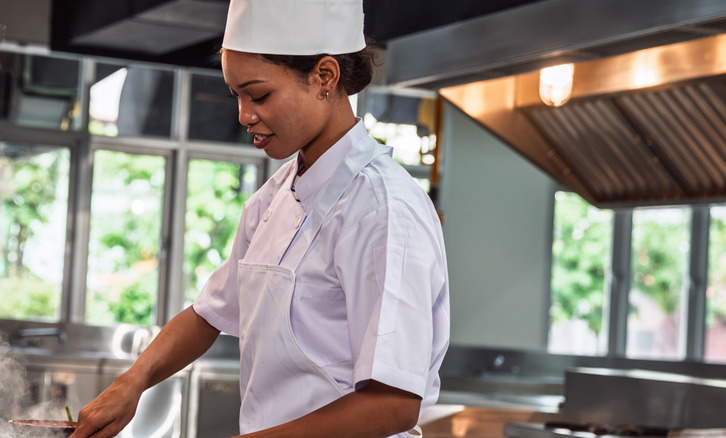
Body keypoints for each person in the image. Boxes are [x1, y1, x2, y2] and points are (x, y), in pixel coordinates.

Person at [70, 0, 450, 437]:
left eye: (260, 95)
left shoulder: (384, 210)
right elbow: (209, 313)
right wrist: (131, 382)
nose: (244, 115)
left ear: (324, 77)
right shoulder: (275, 196)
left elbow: (394, 404)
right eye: (238, 96)